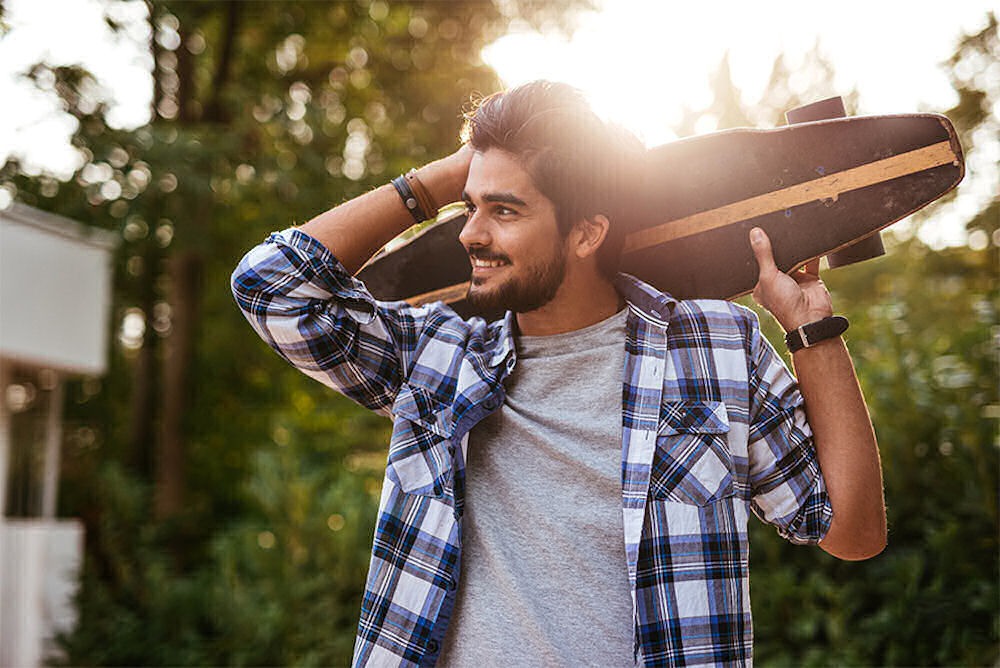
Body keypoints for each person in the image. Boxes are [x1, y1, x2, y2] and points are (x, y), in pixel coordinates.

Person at [232, 80, 886, 667]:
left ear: (586, 232)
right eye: (469, 207)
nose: (468, 234)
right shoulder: (435, 357)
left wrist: (812, 330)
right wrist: (436, 183)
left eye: (504, 211)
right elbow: (271, 287)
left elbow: (851, 532)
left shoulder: (717, 349)